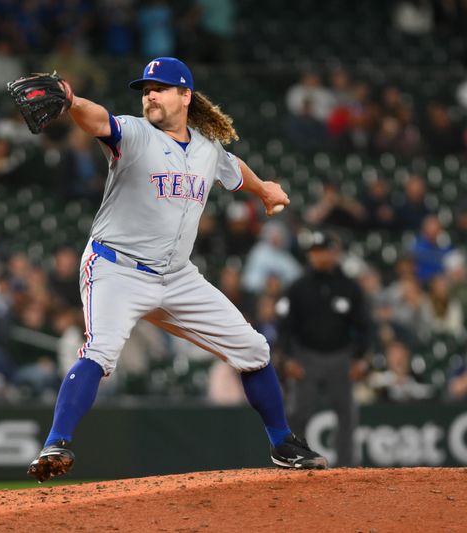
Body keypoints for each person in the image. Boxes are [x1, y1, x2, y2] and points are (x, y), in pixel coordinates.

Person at [24, 57, 327, 482]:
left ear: (185, 95)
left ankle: (282, 443)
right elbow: (99, 121)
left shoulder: (206, 147)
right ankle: (56, 442)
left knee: (254, 350)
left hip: (178, 276)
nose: (149, 94)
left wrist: (263, 189)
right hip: (116, 269)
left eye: (160, 88)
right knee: (101, 350)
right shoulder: (135, 134)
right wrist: (72, 100)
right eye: (146, 89)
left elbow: (231, 168)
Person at [278, 230, 372, 467]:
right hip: (307, 356)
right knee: (299, 413)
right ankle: (296, 460)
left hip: (340, 356)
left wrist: (361, 358)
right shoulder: (298, 287)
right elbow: (286, 326)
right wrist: (289, 357)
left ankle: (347, 467)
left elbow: (365, 325)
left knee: (347, 415)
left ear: (335, 252)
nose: (318, 256)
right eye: (314, 252)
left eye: (323, 251)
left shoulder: (349, 287)